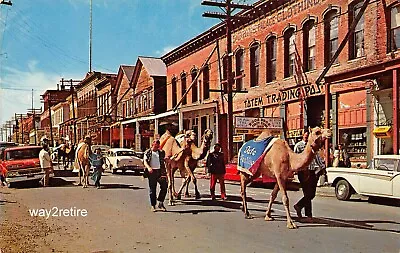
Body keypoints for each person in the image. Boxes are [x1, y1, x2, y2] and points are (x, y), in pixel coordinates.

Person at [293, 131, 326, 221]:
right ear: (303, 136)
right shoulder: (298, 146)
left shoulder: (314, 145)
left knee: (312, 194)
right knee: (307, 193)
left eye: (308, 136)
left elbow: (317, 157)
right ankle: (308, 215)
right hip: (304, 172)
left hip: (313, 171)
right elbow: (295, 158)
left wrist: (322, 167)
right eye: (305, 136)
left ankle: (299, 206)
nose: (307, 137)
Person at [143, 140, 168, 212]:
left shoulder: (161, 152)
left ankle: (161, 202)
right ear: (152, 145)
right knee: (152, 189)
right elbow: (145, 161)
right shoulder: (148, 152)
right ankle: (153, 205)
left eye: (158, 146)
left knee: (164, 187)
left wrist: (167, 160)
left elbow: (164, 160)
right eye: (155, 146)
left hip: (160, 172)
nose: (157, 147)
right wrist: (148, 168)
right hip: (152, 172)